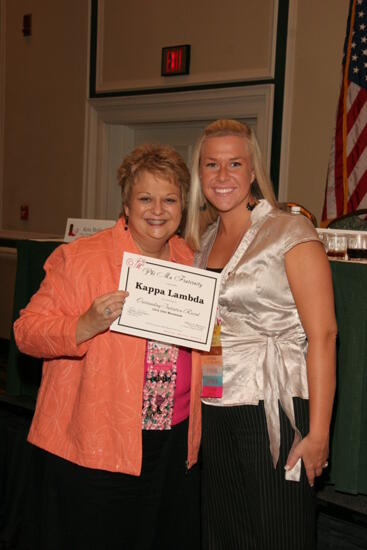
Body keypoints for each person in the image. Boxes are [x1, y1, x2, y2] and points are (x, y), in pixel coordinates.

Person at [14, 143, 201, 550]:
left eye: (169, 199)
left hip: (172, 439)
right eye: (145, 198)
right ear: (127, 204)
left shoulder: (190, 261)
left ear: (183, 205)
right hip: (99, 438)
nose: (157, 210)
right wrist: (83, 325)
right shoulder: (81, 257)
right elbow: (26, 332)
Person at [185, 119, 337, 550]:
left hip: (275, 405)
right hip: (215, 401)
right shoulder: (206, 239)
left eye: (235, 163)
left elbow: (324, 335)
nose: (222, 175)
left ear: (253, 172)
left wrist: (320, 432)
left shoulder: (290, 232)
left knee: (278, 531)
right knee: (225, 528)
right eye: (211, 164)